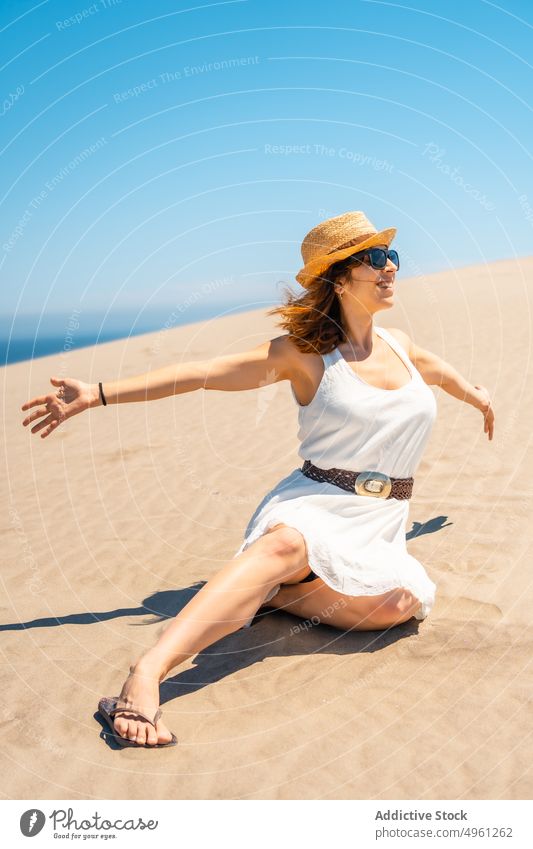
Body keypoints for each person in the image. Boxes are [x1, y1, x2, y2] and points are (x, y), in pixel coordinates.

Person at [20, 210, 494, 749]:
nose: (390, 269)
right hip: (315, 501)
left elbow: (439, 373)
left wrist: (477, 396)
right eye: (375, 259)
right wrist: (99, 393)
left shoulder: (400, 345)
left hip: (379, 521)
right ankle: (147, 672)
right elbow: (201, 375)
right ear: (339, 279)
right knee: (288, 543)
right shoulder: (303, 356)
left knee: (398, 606)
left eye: (392, 258)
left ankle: (274, 593)